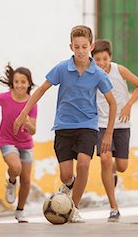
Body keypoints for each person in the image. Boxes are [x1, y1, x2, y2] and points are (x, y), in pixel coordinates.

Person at [13, 25, 117, 223]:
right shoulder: (62, 68)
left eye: (84, 47)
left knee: (84, 164)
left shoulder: (98, 74)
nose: (80, 51)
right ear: (71, 46)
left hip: (88, 125)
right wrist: (22, 114)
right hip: (63, 126)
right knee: (66, 175)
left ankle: (73, 208)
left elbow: (112, 102)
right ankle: (68, 186)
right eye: (76, 47)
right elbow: (41, 89)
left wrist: (108, 133)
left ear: (91, 46)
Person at [91, 39, 138, 222]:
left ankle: (112, 171)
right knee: (105, 159)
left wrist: (129, 105)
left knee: (121, 166)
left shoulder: (119, 70)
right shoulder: (90, 74)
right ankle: (113, 207)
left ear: (110, 57)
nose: (101, 63)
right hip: (101, 124)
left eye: (104, 59)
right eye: (97, 59)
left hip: (121, 124)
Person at [0, 63, 37, 223]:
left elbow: (33, 131)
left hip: (25, 142)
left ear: (29, 84)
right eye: (17, 81)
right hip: (6, 139)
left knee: (26, 180)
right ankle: (11, 181)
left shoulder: (32, 103)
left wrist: (26, 121)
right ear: (12, 83)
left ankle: (20, 210)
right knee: (16, 168)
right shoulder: (4, 98)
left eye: (23, 82)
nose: (19, 85)